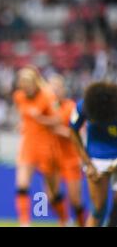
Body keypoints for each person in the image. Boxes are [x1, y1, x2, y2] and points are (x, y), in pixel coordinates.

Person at [12, 67, 69, 226]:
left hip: (46, 146)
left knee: (53, 193)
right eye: (22, 84)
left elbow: (57, 120)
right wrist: (23, 124)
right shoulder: (18, 96)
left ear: (35, 83)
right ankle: (24, 223)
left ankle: (64, 220)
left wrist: (40, 119)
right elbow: (24, 116)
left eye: (27, 84)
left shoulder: (47, 96)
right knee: (22, 185)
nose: (25, 88)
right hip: (28, 145)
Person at [69, 81, 117, 227]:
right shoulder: (83, 106)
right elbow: (73, 130)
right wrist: (87, 163)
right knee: (98, 211)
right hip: (96, 160)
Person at [48, 74, 86, 226]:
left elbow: (76, 133)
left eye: (57, 87)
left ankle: (82, 223)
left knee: (75, 200)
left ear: (63, 89)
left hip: (70, 157)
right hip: (51, 158)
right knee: (51, 197)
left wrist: (56, 129)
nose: (54, 91)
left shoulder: (70, 107)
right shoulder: (46, 107)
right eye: (51, 88)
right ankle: (64, 221)